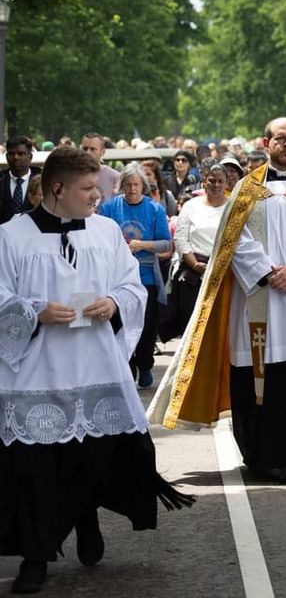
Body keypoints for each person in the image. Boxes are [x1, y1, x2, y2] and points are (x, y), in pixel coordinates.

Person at [0, 147, 192, 594]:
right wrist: (32, 311)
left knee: (92, 454)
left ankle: (85, 519)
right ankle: (37, 554)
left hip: (95, 365)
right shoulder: (11, 237)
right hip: (36, 371)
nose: (96, 196)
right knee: (37, 466)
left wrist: (115, 302)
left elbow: (130, 284)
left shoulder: (105, 231)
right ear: (57, 189)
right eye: (87, 189)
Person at [149, 117, 286, 486]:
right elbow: (235, 241)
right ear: (266, 143)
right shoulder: (246, 190)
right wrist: (267, 272)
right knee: (252, 381)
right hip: (255, 299)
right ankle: (257, 454)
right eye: (280, 139)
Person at [100, 167, 173, 390]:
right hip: (118, 277)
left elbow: (166, 243)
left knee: (146, 326)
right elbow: (100, 237)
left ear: (143, 186)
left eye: (136, 185)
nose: (132, 189)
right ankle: (127, 366)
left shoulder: (154, 209)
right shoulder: (110, 207)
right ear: (121, 186)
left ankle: (146, 364)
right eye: (128, 185)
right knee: (121, 323)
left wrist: (142, 245)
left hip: (147, 275)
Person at [169, 165, 229, 343]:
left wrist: (219, 265)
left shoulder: (234, 207)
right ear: (204, 181)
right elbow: (180, 238)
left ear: (226, 183)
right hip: (194, 272)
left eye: (220, 181)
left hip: (224, 272)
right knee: (192, 327)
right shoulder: (190, 206)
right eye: (212, 180)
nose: (216, 185)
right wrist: (195, 264)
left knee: (221, 326)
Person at [1, 136, 38, 224]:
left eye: (21, 154)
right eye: (11, 154)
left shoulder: (42, 181)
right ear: (6, 157)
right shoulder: (1, 179)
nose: (16, 157)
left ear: (30, 157)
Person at [80, 133, 120, 199]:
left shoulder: (115, 177)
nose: (88, 153)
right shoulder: (73, 176)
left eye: (92, 149)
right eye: (85, 148)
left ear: (102, 152)